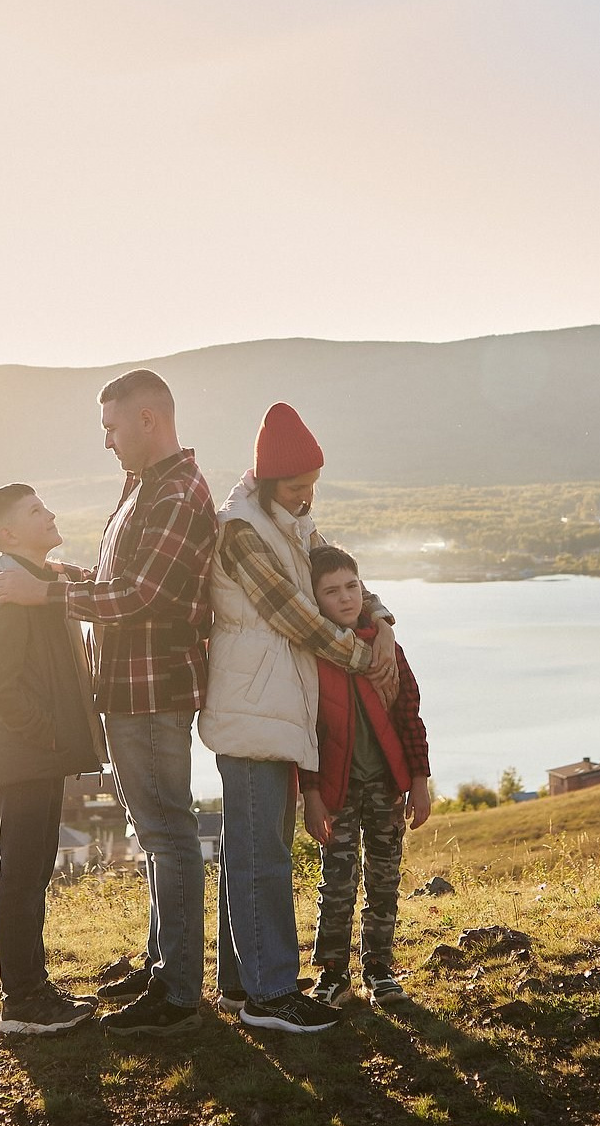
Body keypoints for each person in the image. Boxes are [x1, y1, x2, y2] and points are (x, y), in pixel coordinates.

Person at [0, 369, 218, 1037]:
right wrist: (52, 575)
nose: (107, 443)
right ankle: (159, 965)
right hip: (129, 693)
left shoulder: (176, 493)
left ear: (148, 420)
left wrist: (49, 594)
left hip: (151, 695)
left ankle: (176, 995)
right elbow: (119, 582)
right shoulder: (147, 489)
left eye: (111, 428)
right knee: (157, 838)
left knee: (168, 838)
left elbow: (143, 596)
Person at [199, 402, 399, 1033]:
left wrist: (382, 619)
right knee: (263, 857)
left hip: (274, 703)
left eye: (313, 485)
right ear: (264, 481)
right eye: (296, 487)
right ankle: (270, 994)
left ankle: (241, 985)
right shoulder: (243, 531)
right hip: (252, 703)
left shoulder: (289, 523)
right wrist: (364, 655)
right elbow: (295, 614)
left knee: (251, 850)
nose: (308, 497)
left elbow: (339, 578)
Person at [0, 483, 108, 1035]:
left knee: (33, 867)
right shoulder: (11, 597)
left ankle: (32, 989)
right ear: (8, 535)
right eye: (34, 512)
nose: (48, 515)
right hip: (28, 757)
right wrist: (48, 736)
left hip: (36, 756)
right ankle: (22, 1001)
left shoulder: (37, 584)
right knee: (24, 874)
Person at [300, 544, 431, 1009]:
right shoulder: (312, 657)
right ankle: (333, 973)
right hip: (336, 789)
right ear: (315, 600)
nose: (346, 598)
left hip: (385, 786)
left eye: (352, 586)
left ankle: (379, 968)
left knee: (384, 877)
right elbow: (308, 732)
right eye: (332, 591)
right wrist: (311, 795)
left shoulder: (385, 645)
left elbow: (410, 716)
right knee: (336, 880)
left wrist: (419, 780)